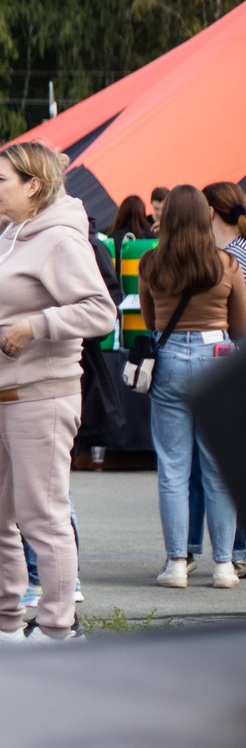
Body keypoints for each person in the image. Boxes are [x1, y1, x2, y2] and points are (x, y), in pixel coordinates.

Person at [0, 144, 118, 646]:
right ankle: (4, 624)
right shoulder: (5, 233)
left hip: (39, 395)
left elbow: (99, 311)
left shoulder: (60, 237)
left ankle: (59, 630)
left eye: (1, 180)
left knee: (42, 515)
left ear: (33, 185)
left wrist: (36, 324)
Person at [137, 185, 246, 590]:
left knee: (173, 468)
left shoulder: (150, 263)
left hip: (168, 363)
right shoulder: (227, 265)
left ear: (168, 218)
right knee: (217, 467)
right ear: (204, 216)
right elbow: (240, 325)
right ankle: (223, 566)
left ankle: (177, 563)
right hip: (215, 354)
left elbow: (150, 321)